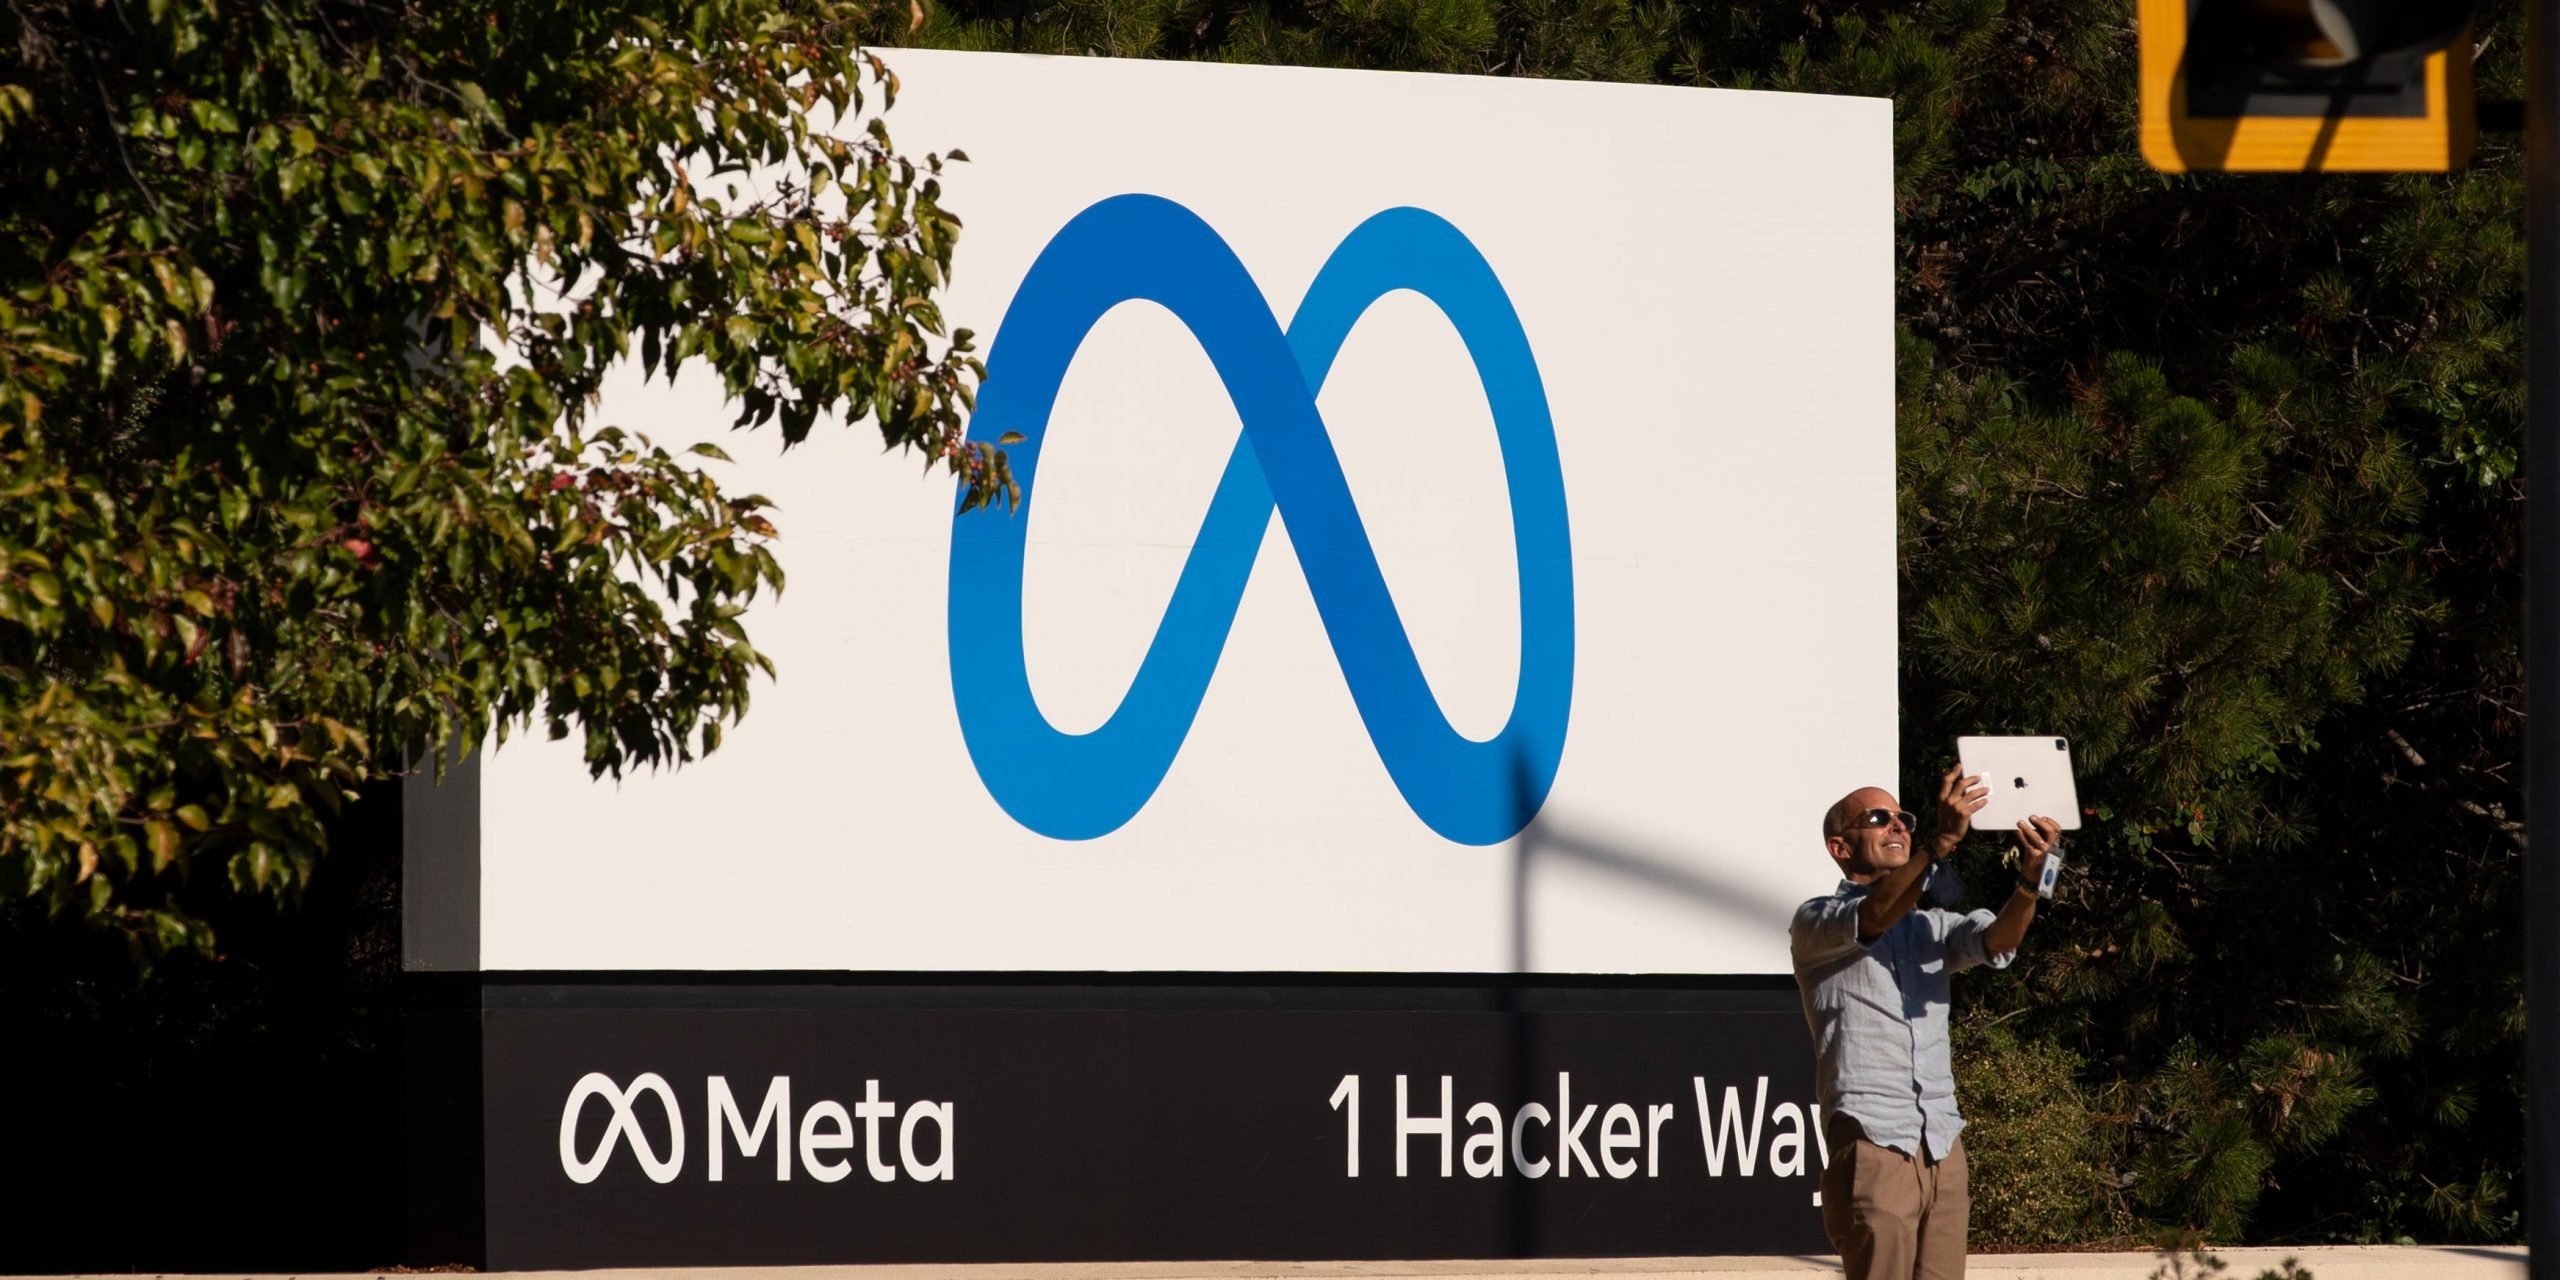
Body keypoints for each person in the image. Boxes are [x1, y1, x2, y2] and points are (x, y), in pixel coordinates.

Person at [1789, 766, 2060, 1280]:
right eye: (1878, 818)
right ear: (1840, 848)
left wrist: (2033, 877)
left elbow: (1998, 942)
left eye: (1903, 818)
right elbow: (1871, 918)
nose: (1897, 826)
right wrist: (1936, 846)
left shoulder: (1930, 925)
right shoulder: (1815, 921)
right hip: (1873, 1138)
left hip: (1941, 1142)